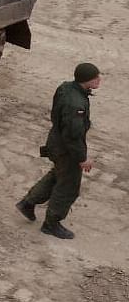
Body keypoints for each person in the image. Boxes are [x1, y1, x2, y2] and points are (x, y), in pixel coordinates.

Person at [16, 62, 101, 239]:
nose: (99, 80)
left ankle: (28, 203)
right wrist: (82, 158)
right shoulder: (76, 103)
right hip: (66, 149)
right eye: (96, 77)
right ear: (86, 81)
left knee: (57, 175)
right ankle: (51, 224)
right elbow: (72, 136)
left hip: (56, 142)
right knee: (68, 186)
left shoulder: (66, 88)